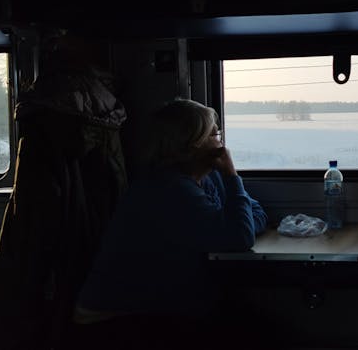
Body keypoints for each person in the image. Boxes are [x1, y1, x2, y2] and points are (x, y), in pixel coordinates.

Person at [69, 99, 268, 349]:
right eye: (214, 134)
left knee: (254, 323)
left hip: (155, 307)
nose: (221, 143)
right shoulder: (168, 189)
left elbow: (256, 213)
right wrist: (232, 176)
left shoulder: (205, 178)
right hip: (114, 319)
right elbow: (241, 235)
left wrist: (237, 213)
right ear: (192, 144)